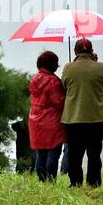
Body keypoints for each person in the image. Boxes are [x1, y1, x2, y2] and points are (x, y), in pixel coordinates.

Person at [60, 37, 103, 188]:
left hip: (74, 120)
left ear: (75, 51)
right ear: (91, 51)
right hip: (96, 119)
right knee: (94, 154)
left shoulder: (68, 68)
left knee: (74, 155)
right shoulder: (101, 67)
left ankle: (75, 182)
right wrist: (96, 64)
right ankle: (93, 182)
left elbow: (64, 85)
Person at [28, 50, 66, 181]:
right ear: (52, 64)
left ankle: (41, 179)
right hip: (52, 121)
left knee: (41, 153)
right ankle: (50, 180)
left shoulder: (34, 80)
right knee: (54, 153)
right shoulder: (54, 81)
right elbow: (59, 102)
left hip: (35, 121)